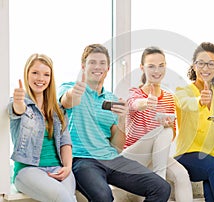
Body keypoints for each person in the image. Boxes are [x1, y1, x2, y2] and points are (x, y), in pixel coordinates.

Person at [58, 43, 171, 202]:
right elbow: (67, 101)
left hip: (112, 159)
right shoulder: (70, 88)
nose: (98, 67)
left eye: (102, 63)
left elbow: (117, 146)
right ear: (83, 67)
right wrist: (75, 92)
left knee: (161, 188)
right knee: (104, 197)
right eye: (92, 62)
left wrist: (122, 119)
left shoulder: (111, 99)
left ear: (108, 68)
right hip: (82, 160)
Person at [122, 47, 193, 202]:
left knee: (182, 175)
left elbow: (172, 133)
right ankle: (159, 181)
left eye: (161, 65)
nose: (157, 70)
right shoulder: (135, 92)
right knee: (162, 130)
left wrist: (168, 126)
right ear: (142, 68)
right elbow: (133, 104)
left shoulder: (168, 98)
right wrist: (146, 102)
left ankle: (158, 181)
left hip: (157, 156)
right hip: (134, 157)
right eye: (151, 66)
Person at [8, 53, 76, 202]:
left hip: (57, 168)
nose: (41, 78)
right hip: (28, 170)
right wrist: (19, 101)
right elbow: (17, 109)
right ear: (27, 74)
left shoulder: (57, 109)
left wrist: (67, 167)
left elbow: (66, 142)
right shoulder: (20, 103)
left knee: (69, 197)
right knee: (64, 198)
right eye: (35, 73)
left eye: (46, 74)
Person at [174, 42, 214, 202]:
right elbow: (185, 103)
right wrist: (200, 101)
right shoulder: (182, 91)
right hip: (188, 154)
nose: (205, 68)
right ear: (194, 66)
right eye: (201, 63)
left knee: (212, 191)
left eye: (211, 64)